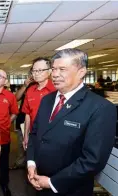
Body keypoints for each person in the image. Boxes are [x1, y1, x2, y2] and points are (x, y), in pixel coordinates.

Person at [27, 48, 116, 196]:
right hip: (39, 182)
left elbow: (93, 160)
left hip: (71, 189)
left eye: (62, 69)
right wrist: (31, 163)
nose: (55, 74)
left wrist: (52, 182)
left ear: (81, 72)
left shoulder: (100, 108)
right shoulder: (47, 100)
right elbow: (35, 134)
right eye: (54, 69)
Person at [22, 57, 56, 150]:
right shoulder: (30, 90)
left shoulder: (57, 90)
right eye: (34, 70)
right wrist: (26, 135)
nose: (36, 73)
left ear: (49, 72)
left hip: (53, 136)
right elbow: (28, 115)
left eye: (40, 70)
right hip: (35, 135)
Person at [10, 76, 34, 170]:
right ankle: (20, 163)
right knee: (21, 143)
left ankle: (32, 166)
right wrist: (25, 85)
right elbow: (16, 98)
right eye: (33, 72)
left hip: (36, 122)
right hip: (22, 120)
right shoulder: (27, 86)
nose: (35, 74)